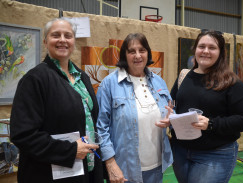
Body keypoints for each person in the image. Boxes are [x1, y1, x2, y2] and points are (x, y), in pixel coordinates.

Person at [10, 18, 104, 183]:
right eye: (56, 35)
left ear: (74, 41)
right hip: (48, 175)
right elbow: (23, 135)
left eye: (68, 35)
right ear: (46, 41)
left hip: (85, 171)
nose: (62, 40)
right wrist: (70, 150)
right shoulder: (35, 79)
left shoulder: (82, 78)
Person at [170, 30, 243, 183]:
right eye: (201, 46)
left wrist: (211, 124)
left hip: (215, 154)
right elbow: (172, 104)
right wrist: (168, 115)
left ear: (221, 52)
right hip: (180, 151)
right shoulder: (184, 76)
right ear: (195, 49)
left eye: (212, 47)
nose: (206, 51)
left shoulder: (232, 83)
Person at [96, 33, 173, 183]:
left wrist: (172, 118)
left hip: (157, 167)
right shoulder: (109, 84)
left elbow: (170, 111)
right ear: (125, 55)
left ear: (148, 53)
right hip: (124, 170)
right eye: (132, 51)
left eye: (142, 50)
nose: (137, 55)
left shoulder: (159, 82)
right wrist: (110, 164)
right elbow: (101, 127)